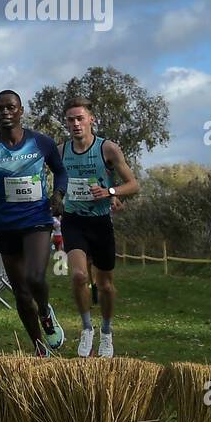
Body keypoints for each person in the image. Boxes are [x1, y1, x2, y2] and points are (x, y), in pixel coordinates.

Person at [0, 90, 68, 356]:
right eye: (0, 109)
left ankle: (45, 311)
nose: (6, 113)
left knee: (35, 277)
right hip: (6, 225)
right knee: (21, 291)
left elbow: (61, 170)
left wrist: (58, 194)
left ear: (21, 110)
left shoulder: (41, 143)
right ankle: (39, 346)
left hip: (37, 220)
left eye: (11, 107)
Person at [59, 97, 140, 357]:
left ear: (91, 119)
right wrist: (56, 199)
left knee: (104, 285)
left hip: (100, 222)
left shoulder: (108, 149)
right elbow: (57, 185)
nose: (75, 124)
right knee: (79, 276)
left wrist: (110, 192)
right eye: (70, 119)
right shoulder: (61, 151)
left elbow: (133, 184)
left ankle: (106, 331)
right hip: (73, 220)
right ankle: (86, 329)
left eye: (80, 118)